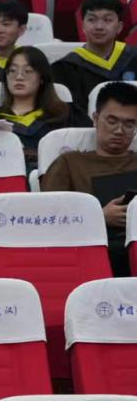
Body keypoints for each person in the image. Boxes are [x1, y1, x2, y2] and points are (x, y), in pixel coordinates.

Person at [39, 81, 137, 276]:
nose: (119, 130)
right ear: (95, 118)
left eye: (129, 124)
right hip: (88, 255)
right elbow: (47, 221)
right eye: (112, 121)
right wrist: (99, 216)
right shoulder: (69, 163)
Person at [0, 45, 82, 172]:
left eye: (28, 71)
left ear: (42, 78)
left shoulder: (66, 115)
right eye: (12, 70)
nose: (19, 77)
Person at [51, 0, 136, 120]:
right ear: (83, 26)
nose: (99, 27)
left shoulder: (133, 58)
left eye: (107, 20)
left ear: (119, 27)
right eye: (92, 20)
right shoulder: (65, 69)